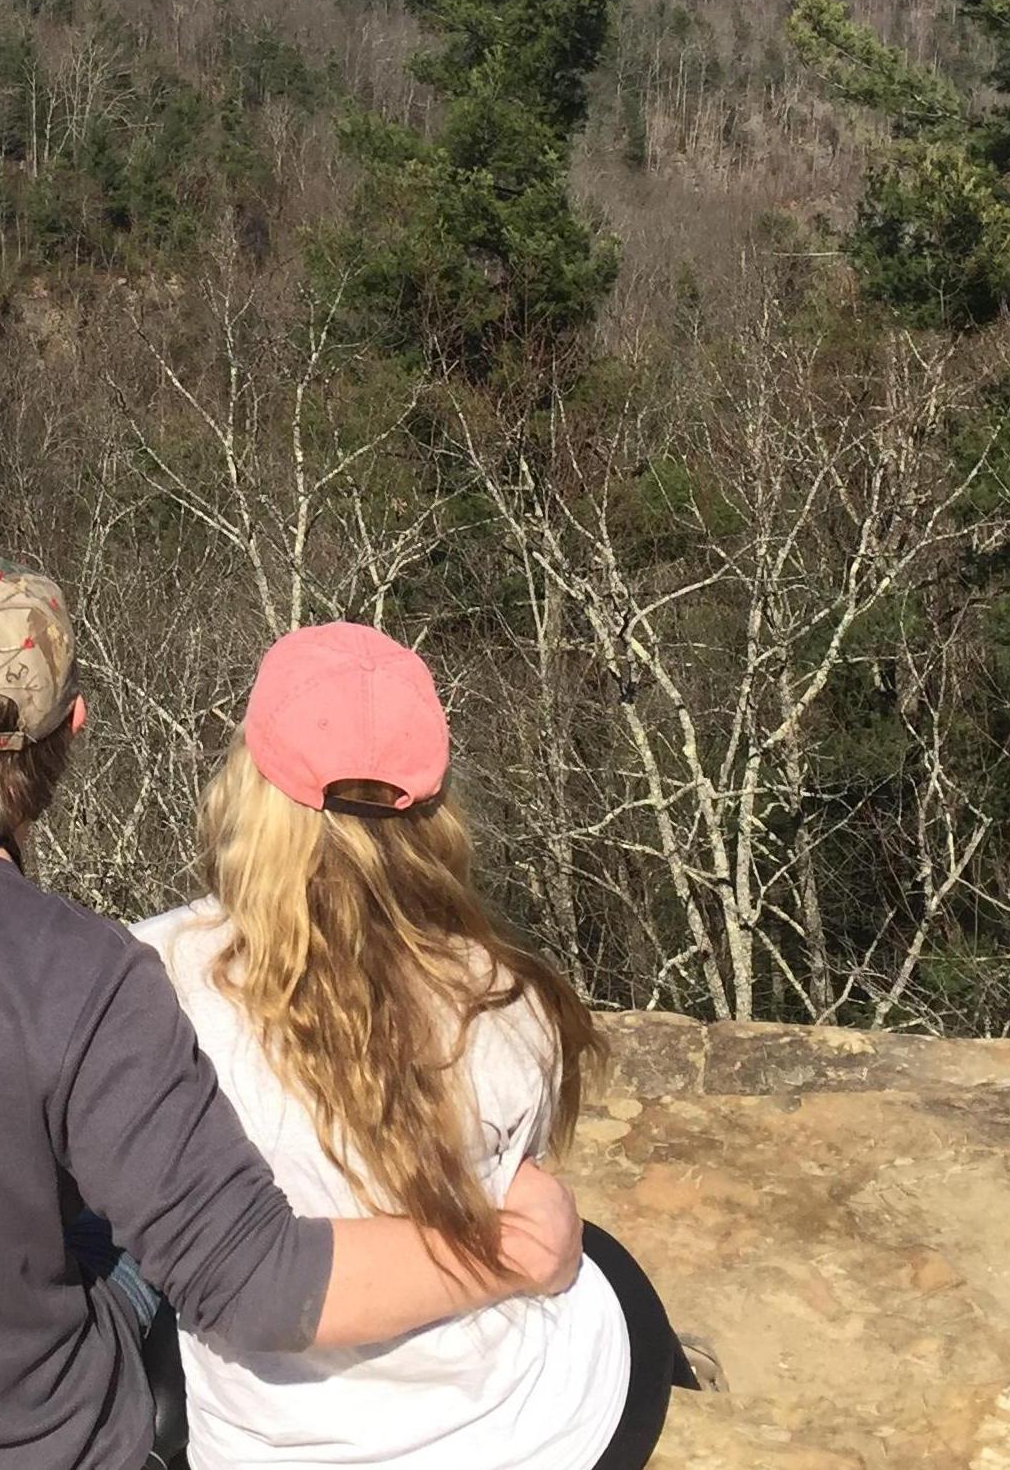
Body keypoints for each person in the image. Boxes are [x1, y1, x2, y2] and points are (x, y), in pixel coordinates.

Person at [0, 560, 587, 1470]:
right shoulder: (83, 971)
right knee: (138, 1239)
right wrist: (508, 1250)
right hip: (17, 1449)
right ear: (70, 731)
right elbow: (256, 1285)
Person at [136, 620, 698, 1470]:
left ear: (250, 786)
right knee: (600, 1261)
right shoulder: (507, 1001)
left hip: (269, 1447)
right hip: (524, 1431)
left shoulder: (148, 979)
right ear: (435, 809)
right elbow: (515, 1211)